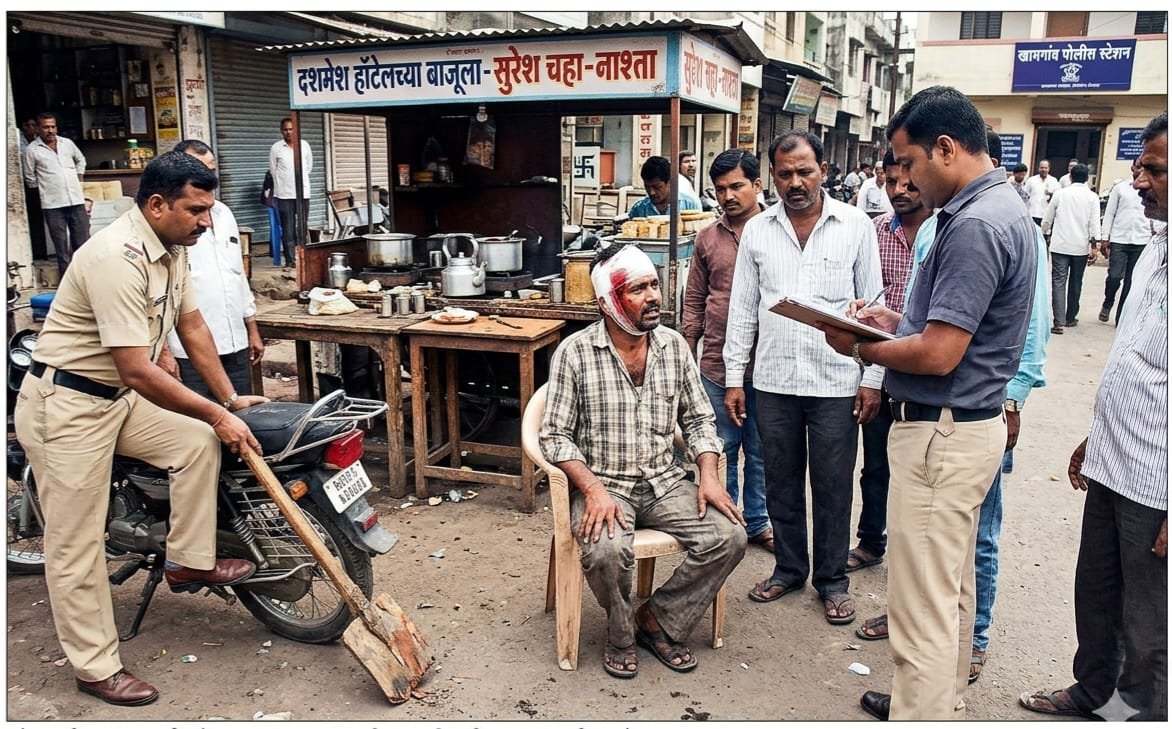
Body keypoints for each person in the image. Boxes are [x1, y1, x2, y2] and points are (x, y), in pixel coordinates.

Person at [12, 151, 268, 707]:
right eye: (197, 210)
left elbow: (192, 324)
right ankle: (95, 666)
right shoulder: (115, 256)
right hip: (68, 407)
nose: (207, 221)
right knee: (75, 545)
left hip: (120, 399)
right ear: (157, 204)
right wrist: (217, 414)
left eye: (209, 209)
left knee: (197, 441)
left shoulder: (173, 248)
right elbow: (135, 366)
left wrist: (226, 398)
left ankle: (186, 559)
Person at [818, 86, 1037, 720]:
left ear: (944, 149)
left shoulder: (974, 224)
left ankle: (923, 713)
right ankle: (939, 702)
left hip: (942, 434)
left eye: (908, 163)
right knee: (950, 589)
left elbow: (940, 354)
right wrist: (892, 320)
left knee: (921, 607)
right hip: (965, 427)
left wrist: (859, 348)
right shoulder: (997, 207)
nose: (902, 179)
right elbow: (946, 326)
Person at [539, 242, 746, 679]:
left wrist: (708, 473)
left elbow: (699, 419)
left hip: (664, 479)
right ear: (608, 302)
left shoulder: (672, 346)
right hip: (606, 483)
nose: (654, 296)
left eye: (654, 284)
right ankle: (620, 635)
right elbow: (554, 436)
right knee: (607, 550)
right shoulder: (574, 354)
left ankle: (657, 619)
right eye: (638, 288)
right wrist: (592, 490)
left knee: (729, 535)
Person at [1020, 111, 1167, 723]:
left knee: (1149, 616)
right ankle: (1091, 693)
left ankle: (1141, 713)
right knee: (1098, 592)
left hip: (1158, 480)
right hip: (1117, 458)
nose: (1138, 180)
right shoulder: (1158, 249)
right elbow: (1139, 358)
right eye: (1140, 166)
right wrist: (1096, 436)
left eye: (1155, 169)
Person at [724, 131, 883, 626]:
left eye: (805, 171)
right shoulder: (758, 230)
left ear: (823, 171)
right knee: (780, 481)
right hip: (773, 381)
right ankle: (789, 568)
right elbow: (743, 309)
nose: (795, 182)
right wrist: (735, 378)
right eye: (785, 174)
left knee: (834, 485)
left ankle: (832, 580)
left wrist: (872, 378)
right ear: (772, 176)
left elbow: (874, 309)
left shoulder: (856, 225)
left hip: (836, 382)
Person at [682, 149, 772, 555]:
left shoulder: (777, 231)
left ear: (757, 185)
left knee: (760, 450)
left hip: (767, 365)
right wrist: (687, 349)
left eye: (737, 186)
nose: (728, 196)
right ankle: (727, 520)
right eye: (720, 189)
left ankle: (758, 521)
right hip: (716, 364)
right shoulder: (707, 237)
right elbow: (696, 298)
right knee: (719, 447)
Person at [847, 148, 927, 576]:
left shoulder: (945, 232)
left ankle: (910, 564)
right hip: (879, 365)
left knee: (918, 476)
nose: (899, 190)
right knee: (875, 462)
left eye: (908, 182)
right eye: (890, 182)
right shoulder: (874, 232)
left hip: (928, 367)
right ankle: (870, 540)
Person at [160, 140, 264, 399]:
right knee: (201, 427)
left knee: (242, 418)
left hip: (234, 343)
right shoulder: (168, 223)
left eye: (211, 171)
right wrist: (163, 351)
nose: (208, 178)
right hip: (187, 350)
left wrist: (251, 327)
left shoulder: (224, 214)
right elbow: (154, 296)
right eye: (199, 171)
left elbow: (237, 274)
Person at [22, 112, 90, 276]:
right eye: (46, 127)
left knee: (83, 243)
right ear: (38, 128)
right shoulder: (32, 150)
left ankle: (86, 277)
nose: (50, 130)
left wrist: (78, 178)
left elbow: (81, 160)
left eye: (53, 126)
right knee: (61, 247)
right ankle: (67, 283)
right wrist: (47, 189)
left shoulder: (67, 143)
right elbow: (29, 177)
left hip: (75, 200)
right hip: (52, 204)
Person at [1042, 163, 1101, 334]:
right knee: (1076, 282)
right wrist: (1094, 246)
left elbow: (1048, 218)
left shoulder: (1060, 194)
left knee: (1058, 283)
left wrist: (1044, 233)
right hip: (1080, 248)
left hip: (1060, 245)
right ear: (1087, 178)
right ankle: (1070, 317)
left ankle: (1058, 322)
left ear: (1070, 176)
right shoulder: (1092, 197)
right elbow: (1094, 223)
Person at [1099, 157, 1158, 323]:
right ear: (1132, 168)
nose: (1140, 171)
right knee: (1114, 277)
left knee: (1131, 283)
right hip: (1119, 239)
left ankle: (1120, 318)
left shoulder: (1151, 189)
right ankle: (1108, 301)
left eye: (1143, 168)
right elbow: (1109, 213)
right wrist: (1105, 238)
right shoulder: (1120, 188)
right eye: (1137, 167)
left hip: (1141, 240)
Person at [269, 116, 313, 268]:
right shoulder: (276, 148)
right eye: (285, 130)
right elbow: (273, 170)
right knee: (287, 229)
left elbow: (309, 167)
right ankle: (290, 261)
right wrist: (283, 185)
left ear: (296, 130)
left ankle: (303, 259)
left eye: (291, 129)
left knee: (302, 227)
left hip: (303, 194)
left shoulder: (304, 145)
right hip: (284, 195)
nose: (288, 132)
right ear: (281, 131)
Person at [628, 156, 701, 218]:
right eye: (647, 187)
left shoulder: (690, 205)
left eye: (657, 187)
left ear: (670, 182)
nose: (652, 192)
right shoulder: (639, 208)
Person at [18, 116, 47, 258]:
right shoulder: (18, 139)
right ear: (23, 126)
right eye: (29, 125)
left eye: (34, 125)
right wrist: (34, 187)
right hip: (27, 185)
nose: (32, 128)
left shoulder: (38, 142)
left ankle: (42, 251)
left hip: (44, 185)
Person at [1024, 159, 1060, 227]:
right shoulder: (1031, 180)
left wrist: (1051, 194)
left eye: (1045, 168)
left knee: (1044, 235)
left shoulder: (1054, 181)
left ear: (1049, 169)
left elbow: (1057, 197)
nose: (1043, 169)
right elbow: (1025, 196)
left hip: (1046, 215)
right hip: (1032, 213)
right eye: (1041, 167)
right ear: (1038, 168)